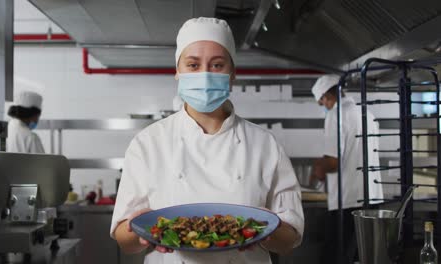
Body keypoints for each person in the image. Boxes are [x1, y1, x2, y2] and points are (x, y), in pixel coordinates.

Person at [111, 17, 304, 263]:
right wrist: (138, 231)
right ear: (178, 73)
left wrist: (267, 229)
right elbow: (122, 238)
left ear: (232, 74)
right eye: (193, 65)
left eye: (217, 65)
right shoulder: (148, 143)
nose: (204, 75)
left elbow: (290, 239)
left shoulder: (265, 145)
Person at [309, 74, 383, 262]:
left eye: (322, 102)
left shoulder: (336, 114)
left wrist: (319, 167)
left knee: (335, 255)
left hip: (347, 201)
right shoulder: (367, 114)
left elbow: (333, 162)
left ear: (327, 96)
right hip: (372, 197)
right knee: (365, 255)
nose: (324, 107)